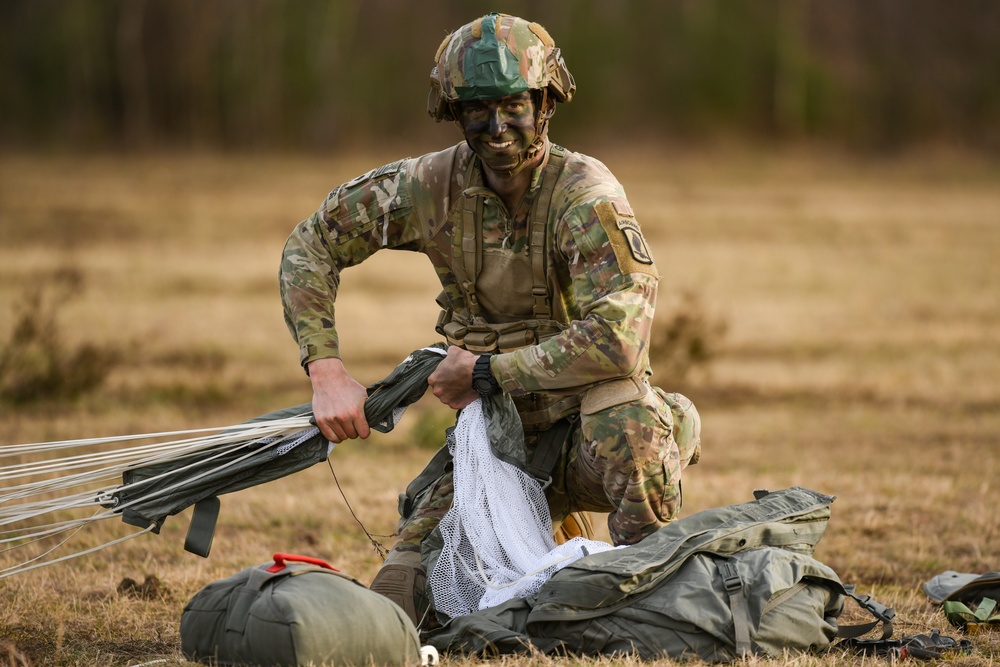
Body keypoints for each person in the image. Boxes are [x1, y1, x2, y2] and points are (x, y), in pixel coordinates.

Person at [279, 12, 701, 626]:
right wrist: (326, 370)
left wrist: (484, 372)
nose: (497, 127)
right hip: (490, 446)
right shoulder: (429, 186)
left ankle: (656, 595)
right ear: (454, 111)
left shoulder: (584, 192)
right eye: (477, 109)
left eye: (514, 107)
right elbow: (312, 244)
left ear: (546, 103)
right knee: (401, 606)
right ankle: (542, 537)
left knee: (629, 418)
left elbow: (620, 340)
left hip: (585, 436)